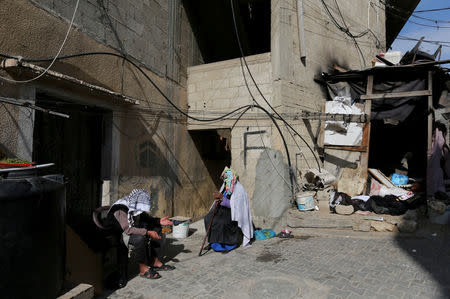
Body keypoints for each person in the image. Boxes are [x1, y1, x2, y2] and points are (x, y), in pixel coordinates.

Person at [107, 189, 175, 284]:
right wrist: (147, 232)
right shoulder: (120, 210)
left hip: (132, 230)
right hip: (120, 235)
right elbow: (128, 230)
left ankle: (153, 261)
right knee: (140, 238)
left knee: (160, 229)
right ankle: (143, 269)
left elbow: (146, 218)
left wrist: (159, 221)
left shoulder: (135, 207)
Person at [204, 167, 253, 252]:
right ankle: (213, 242)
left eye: (226, 177)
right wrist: (218, 200)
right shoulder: (225, 187)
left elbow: (236, 207)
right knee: (208, 218)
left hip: (232, 213)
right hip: (222, 210)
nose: (224, 179)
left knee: (222, 222)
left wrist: (222, 199)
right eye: (223, 178)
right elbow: (221, 199)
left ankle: (227, 245)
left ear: (232, 177)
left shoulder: (239, 190)